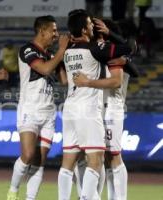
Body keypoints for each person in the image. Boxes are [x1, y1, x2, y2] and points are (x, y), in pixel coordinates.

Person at [57, 10, 132, 200]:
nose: (92, 27)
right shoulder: (95, 48)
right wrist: (111, 34)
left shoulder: (66, 51)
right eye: (90, 24)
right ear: (84, 29)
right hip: (88, 109)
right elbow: (129, 47)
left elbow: (63, 80)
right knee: (96, 160)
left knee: (69, 162)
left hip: (70, 108)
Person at [6, 15, 69, 200]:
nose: (56, 34)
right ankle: (13, 190)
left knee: (40, 161)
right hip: (30, 110)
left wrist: (62, 55)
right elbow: (45, 69)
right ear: (42, 31)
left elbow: (64, 80)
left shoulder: (51, 54)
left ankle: (30, 198)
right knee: (28, 154)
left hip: (49, 112)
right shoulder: (27, 49)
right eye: (54, 30)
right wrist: (62, 50)